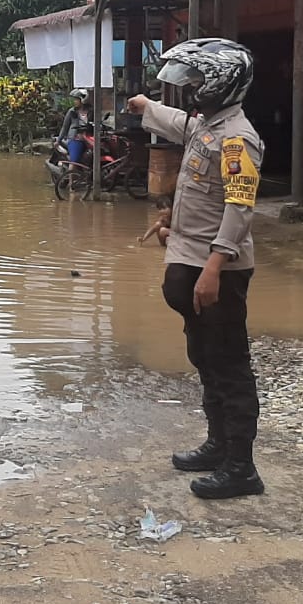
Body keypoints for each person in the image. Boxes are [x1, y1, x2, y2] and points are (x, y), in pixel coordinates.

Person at [126, 37, 264, 500]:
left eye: (200, 79)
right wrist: (146, 106)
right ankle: (218, 446)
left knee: (229, 365)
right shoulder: (208, 127)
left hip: (217, 269)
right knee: (206, 358)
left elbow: (240, 209)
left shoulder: (237, 138)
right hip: (193, 259)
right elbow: (181, 125)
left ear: (222, 82)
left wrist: (213, 269)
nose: (193, 88)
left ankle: (241, 467)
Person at [58, 89, 91, 165]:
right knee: (74, 162)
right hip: (75, 139)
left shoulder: (91, 111)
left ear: (82, 99)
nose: (74, 101)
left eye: (76, 99)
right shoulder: (72, 111)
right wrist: (59, 140)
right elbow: (65, 127)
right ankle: (71, 172)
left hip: (89, 139)